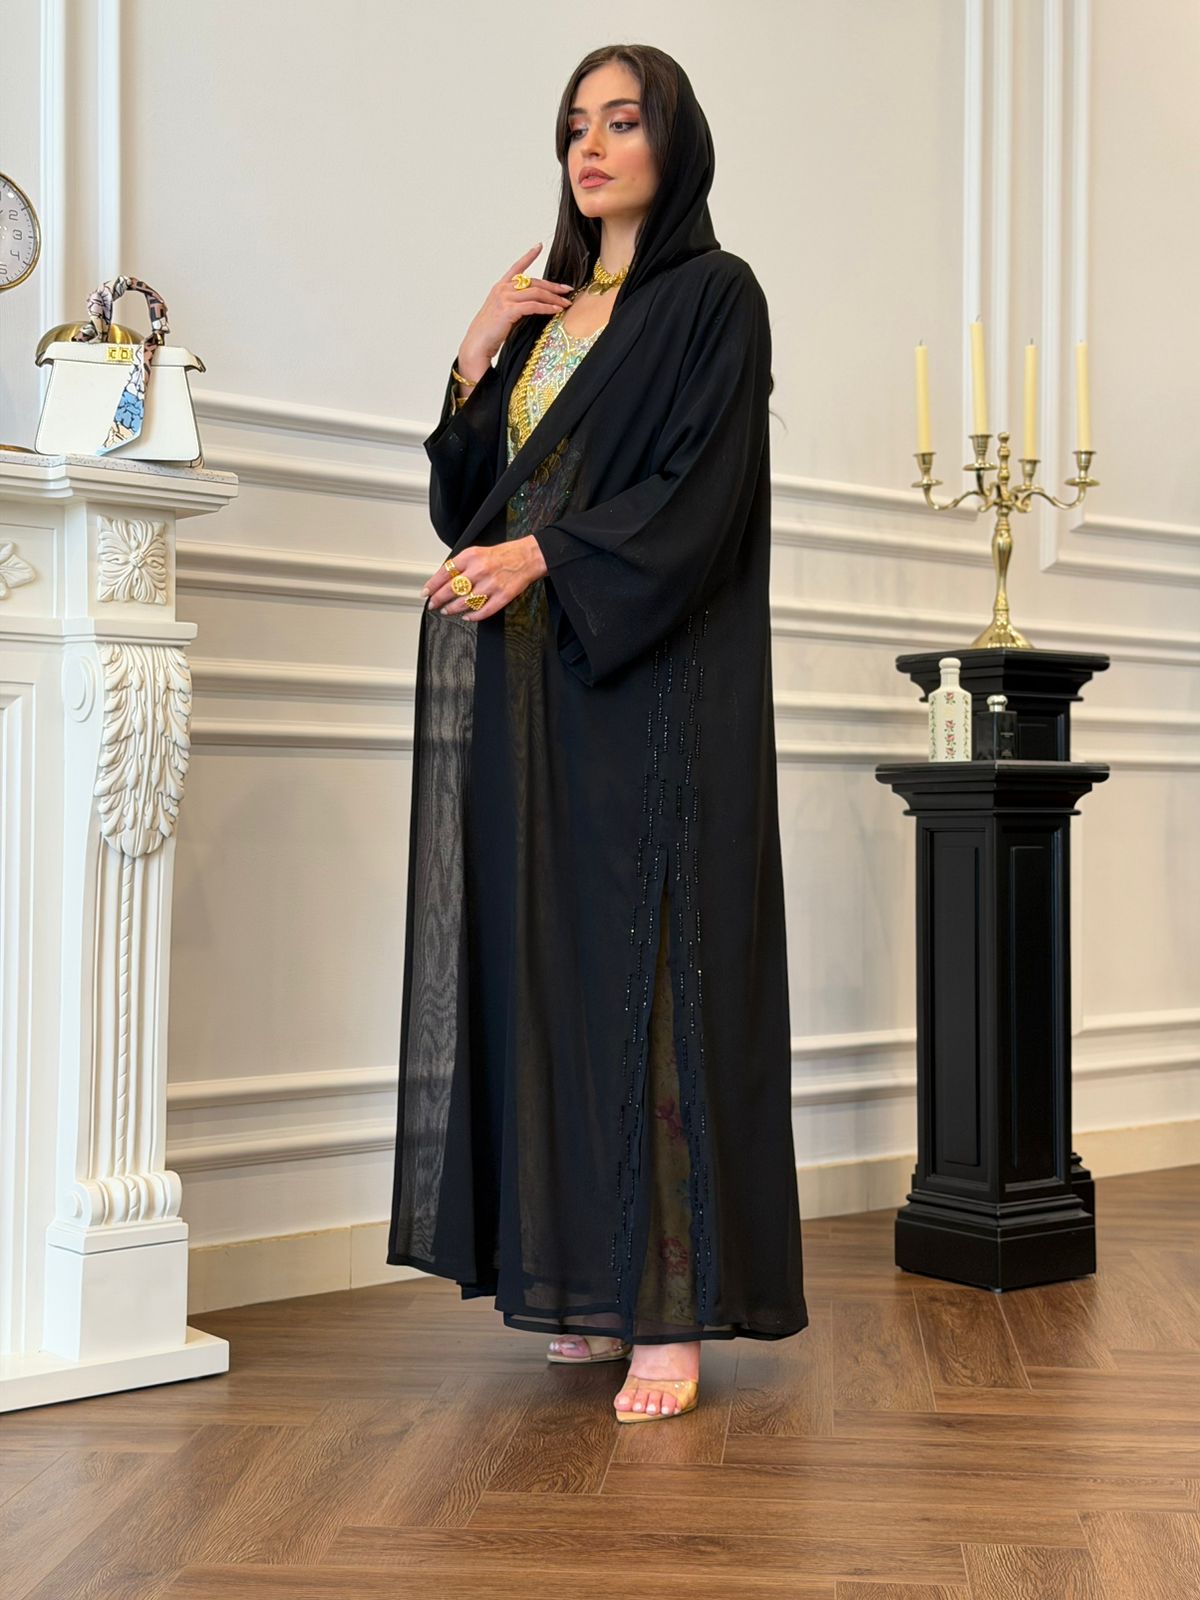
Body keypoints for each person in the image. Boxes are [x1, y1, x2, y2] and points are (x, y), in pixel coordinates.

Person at [387, 42, 809, 1424]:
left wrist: (546, 558)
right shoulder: (549, 314)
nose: (592, 146)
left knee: (656, 977)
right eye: (576, 125)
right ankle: (581, 1279)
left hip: (651, 684)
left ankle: (669, 1312)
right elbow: (473, 503)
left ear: (673, 143)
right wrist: (474, 353)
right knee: (553, 978)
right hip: (537, 691)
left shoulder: (716, 297)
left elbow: (701, 492)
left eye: (623, 122)